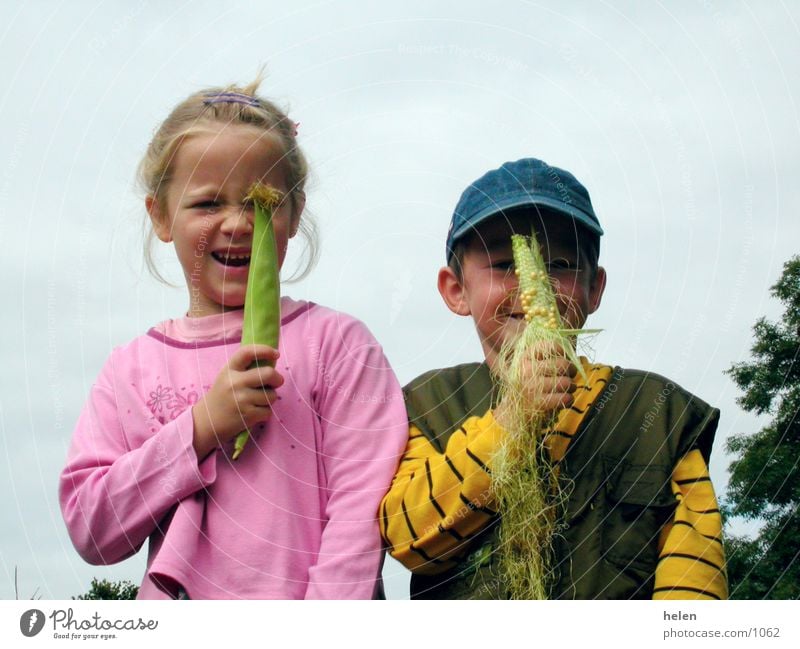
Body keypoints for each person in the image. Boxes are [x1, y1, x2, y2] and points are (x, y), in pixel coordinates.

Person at [59, 79, 408, 599]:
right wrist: (201, 428)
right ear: (160, 216)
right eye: (206, 204)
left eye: (261, 203)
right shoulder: (129, 370)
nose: (238, 223)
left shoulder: (338, 345)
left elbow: (360, 514)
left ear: (292, 215)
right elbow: (92, 531)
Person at [380, 158, 728, 599]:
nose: (535, 282)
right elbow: (410, 538)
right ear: (456, 290)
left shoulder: (656, 412)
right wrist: (512, 421)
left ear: (594, 288)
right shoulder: (424, 405)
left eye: (560, 263)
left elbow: (693, 577)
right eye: (506, 264)